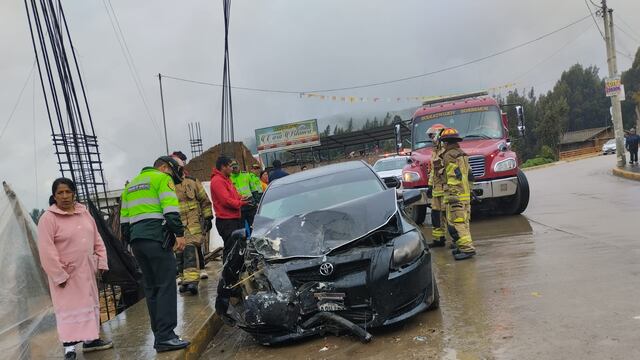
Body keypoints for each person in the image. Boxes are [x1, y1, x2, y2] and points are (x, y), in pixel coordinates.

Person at [37, 178, 113, 360]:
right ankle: (69, 348)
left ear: (74, 193)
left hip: (86, 271)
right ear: (54, 196)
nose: (64, 196)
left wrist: (101, 262)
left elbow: (97, 240)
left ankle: (91, 340)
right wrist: (59, 275)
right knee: (69, 310)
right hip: (66, 275)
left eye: (67, 192)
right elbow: (46, 251)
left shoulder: (84, 213)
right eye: (59, 193)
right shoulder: (48, 218)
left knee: (88, 305)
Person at [120, 156, 190, 352]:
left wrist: (132, 241)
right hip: (157, 239)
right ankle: (167, 336)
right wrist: (179, 234)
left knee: (151, 288)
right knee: (166, 285)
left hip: (137, 242)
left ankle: (160, 334)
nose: (173, 181)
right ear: (164, 167)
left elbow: (124, 222)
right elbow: (170, 211)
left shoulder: (131, 186)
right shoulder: (161, 178)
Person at [210, 156, 248, 318]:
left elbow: (234, 195)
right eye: (229, 166)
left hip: (234, 218)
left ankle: (234, 282)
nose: (232, 168)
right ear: (223, 166)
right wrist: (240, 203)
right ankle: (229, 283)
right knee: (231, 252)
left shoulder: (226, 179)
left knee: (237, 252)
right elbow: (226, 201)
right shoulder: (217, 181)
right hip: (226, 220)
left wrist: (242, 199)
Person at [171, 156, 213, 295]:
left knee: (190, 249)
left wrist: (208, 217)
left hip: (192, 224)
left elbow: (204, 200)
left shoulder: (193, 182)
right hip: (176, 226)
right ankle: (184, 281)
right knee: (179, 253)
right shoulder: (167, 185)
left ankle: (192, 282)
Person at [439, 128, 476, 261]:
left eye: (443, 142)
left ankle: (467, 249)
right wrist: (470, 191)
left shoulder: (449, 156)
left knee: (457, 223)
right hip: (465, 195)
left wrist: (452, 196)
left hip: (456, 196)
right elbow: (470, 176)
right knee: (463, 222)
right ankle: (462, 246)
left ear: (446, 142)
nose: (443, 145)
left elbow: (453, 176)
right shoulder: (462, 154)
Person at [425, 124, 448, 248]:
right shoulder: (435, 151)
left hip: (446, 189)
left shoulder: (446, 150)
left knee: (449, 215)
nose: (432, 138)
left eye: (433, 135)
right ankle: (439, 239)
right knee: (435, 216)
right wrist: (429, 186)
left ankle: (457, 241)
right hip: (436, 190)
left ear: (439, 134)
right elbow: (433, 171)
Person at [229, 160, 260, 228]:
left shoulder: (246, 175)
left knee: (255, 227)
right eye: (233, 168)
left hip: (250, 204)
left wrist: (257, 201)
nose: (235, 169)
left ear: (239, 166)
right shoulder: (229, 178)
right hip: (239, 207)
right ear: (230, 168)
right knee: (242, 229)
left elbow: (254, 189)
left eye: (236, 167)